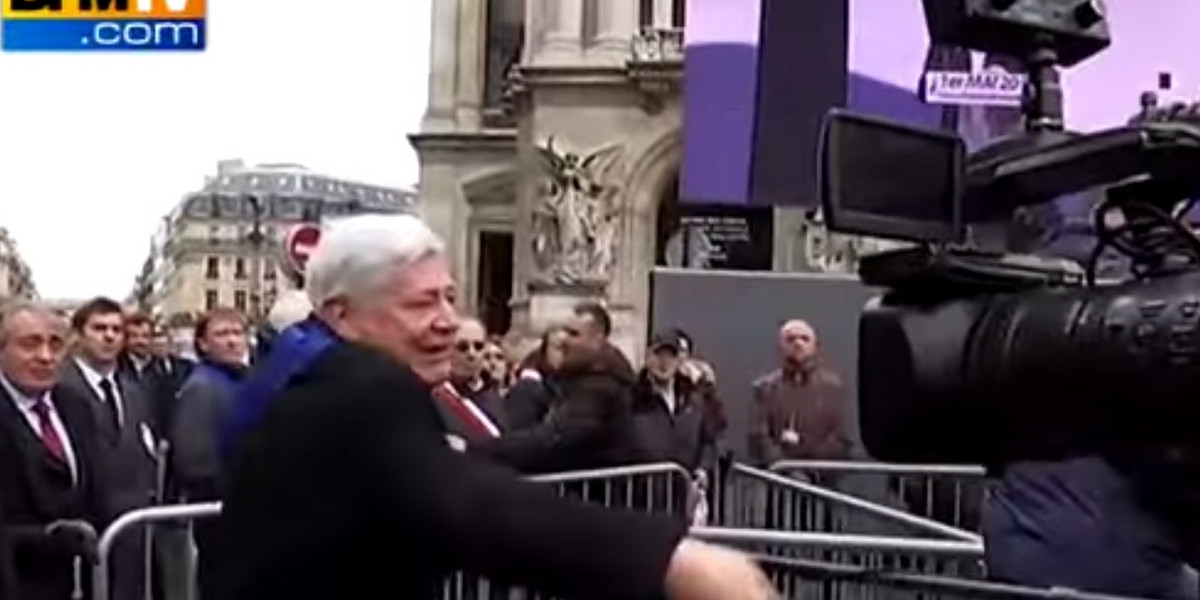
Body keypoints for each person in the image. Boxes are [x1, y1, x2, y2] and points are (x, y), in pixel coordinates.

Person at [214, 214, 774, 600]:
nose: (447, 322)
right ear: (340, 314)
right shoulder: (360, 384)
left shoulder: (299, 370)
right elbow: (472, 509)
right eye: (421, 303)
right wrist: (675, 563)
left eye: (449, 298)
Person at [0, 301, 106, 600]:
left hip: (70, 583)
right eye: (30, 344)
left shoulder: (75, 405)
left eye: (55, 344)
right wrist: (45, 538)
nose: (45, 356)